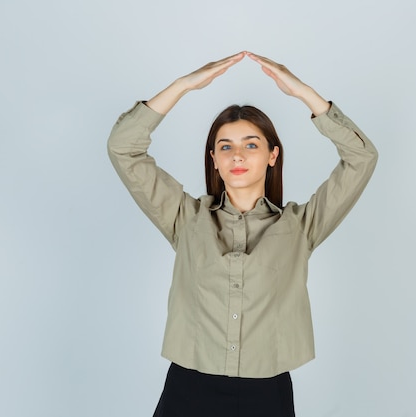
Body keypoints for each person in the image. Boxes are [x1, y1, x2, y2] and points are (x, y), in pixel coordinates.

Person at [107, 51, 378, 417]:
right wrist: (184, 85)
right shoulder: (185, 218)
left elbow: (361, 158)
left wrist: (306, 95)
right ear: (214, 160)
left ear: (272, 155)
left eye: (251, 144)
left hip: (266, 394)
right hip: (188, 388)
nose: (237, 156)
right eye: (226, 147)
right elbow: (123, 147)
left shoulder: (300, 226)